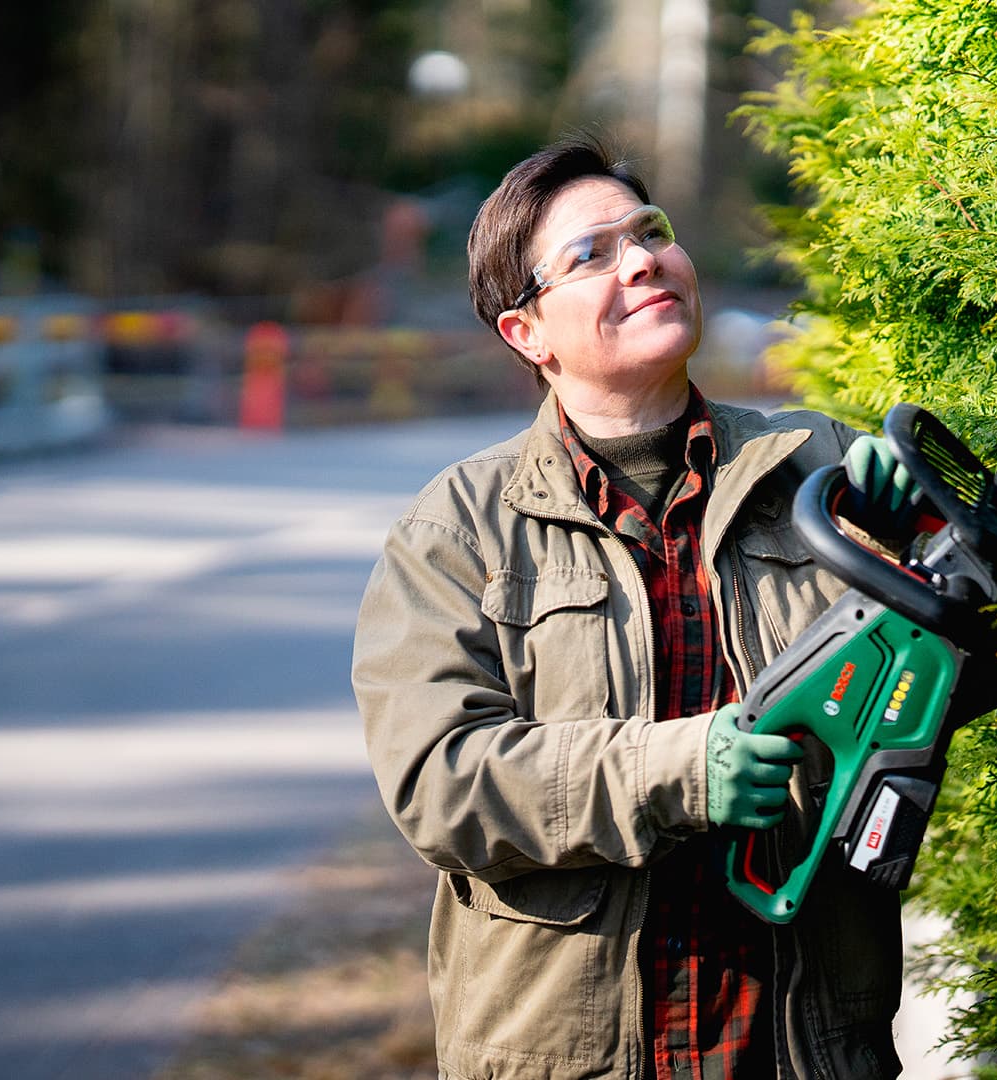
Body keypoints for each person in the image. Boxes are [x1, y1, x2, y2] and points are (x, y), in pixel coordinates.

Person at [352, 135, 926, 1079]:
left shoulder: (818, 465)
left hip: (800, 1051)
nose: (642, 259)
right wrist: (678, 767)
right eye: (591, 254)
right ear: (525, 333)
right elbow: (440, 783)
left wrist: (930, 567)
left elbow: (961, 693)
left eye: (650, 232)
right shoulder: (456, 529)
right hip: (567, 1058)